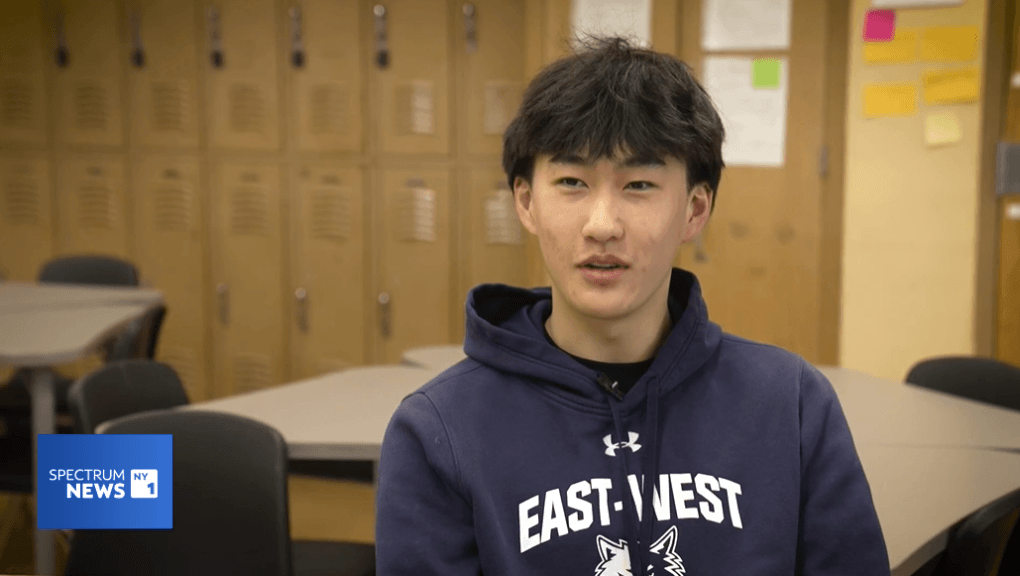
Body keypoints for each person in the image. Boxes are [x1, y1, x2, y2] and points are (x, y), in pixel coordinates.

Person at [376, 36, 889, 576]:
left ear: (695, 209)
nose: (602, 225)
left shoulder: (792, 404)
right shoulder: (439, 429)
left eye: (639, 185)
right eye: (572, 182)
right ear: (526, 203)